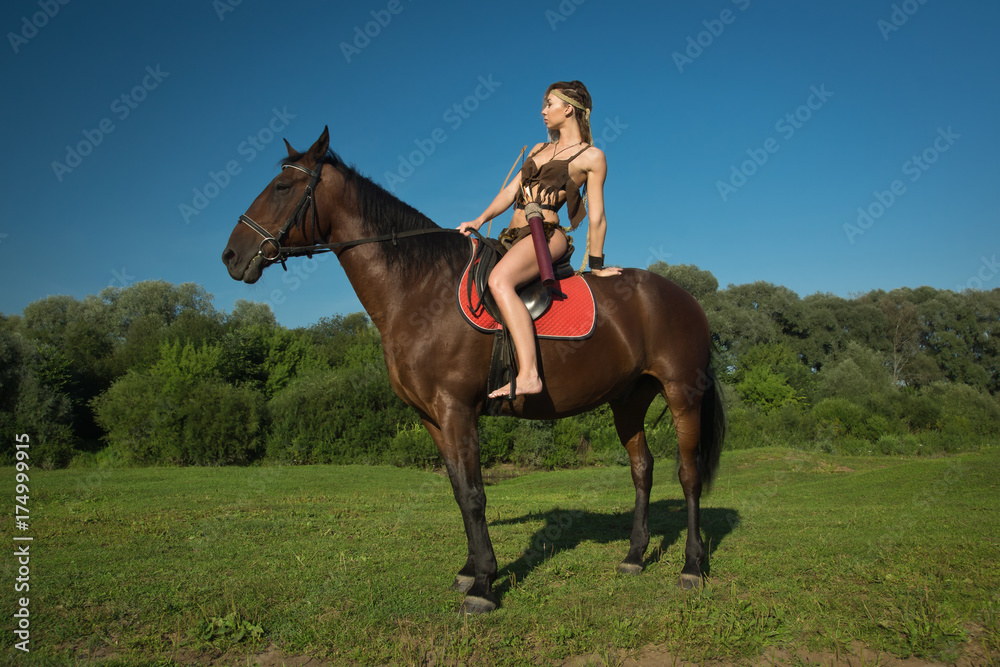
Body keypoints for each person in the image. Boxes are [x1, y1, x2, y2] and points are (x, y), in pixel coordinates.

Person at [458, 80, 622, 399]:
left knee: (499, 281)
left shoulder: (592, 157)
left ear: (568, 109)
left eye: (549, 104)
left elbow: (598, 215)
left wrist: (598, 265)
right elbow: (510, 192)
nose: (543, 111)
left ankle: (530, 374)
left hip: (547, 235)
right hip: (513, 234)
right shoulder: (537, 149)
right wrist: (479, 219)